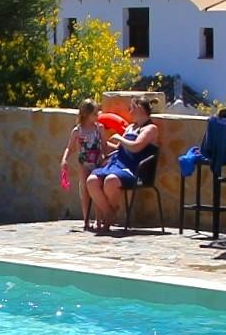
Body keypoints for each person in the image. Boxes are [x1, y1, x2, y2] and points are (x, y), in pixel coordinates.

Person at [85, 98, 162, 233]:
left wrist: (120, 137)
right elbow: (119, 148)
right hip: (116, 164)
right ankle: (109, 212)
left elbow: (136, 147)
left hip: (135, 170)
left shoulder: (151, 129)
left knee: (111, 181)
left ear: (139, 108)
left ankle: (108, 218)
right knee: (91, 181)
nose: (130, 112)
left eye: (132, 108)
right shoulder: (130, 128)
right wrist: (100, 141)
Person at [59, 100, 110, 229]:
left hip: (98, 162)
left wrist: (107, 156)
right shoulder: (78, 131)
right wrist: (64, 159)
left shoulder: (99, 128)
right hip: (84, 164)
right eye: (94, 113)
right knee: (85, 191)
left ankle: (99, 220)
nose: (97, 116)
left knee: (97, 189)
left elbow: (104, 145)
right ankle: (86, 220)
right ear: (86, 114)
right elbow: (69, 148)